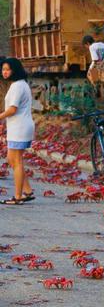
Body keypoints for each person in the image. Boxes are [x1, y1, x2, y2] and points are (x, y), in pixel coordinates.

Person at [0, 58, 35, 205]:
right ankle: (27, 190)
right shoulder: (19, 84)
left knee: (17, 161)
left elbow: (12, 109)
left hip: (20, 127)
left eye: (8, 69)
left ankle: (18, 196)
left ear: (15, 70)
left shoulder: (17, 86)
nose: (5, 72)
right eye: (3, 69)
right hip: (18, 126)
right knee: (11, 159)